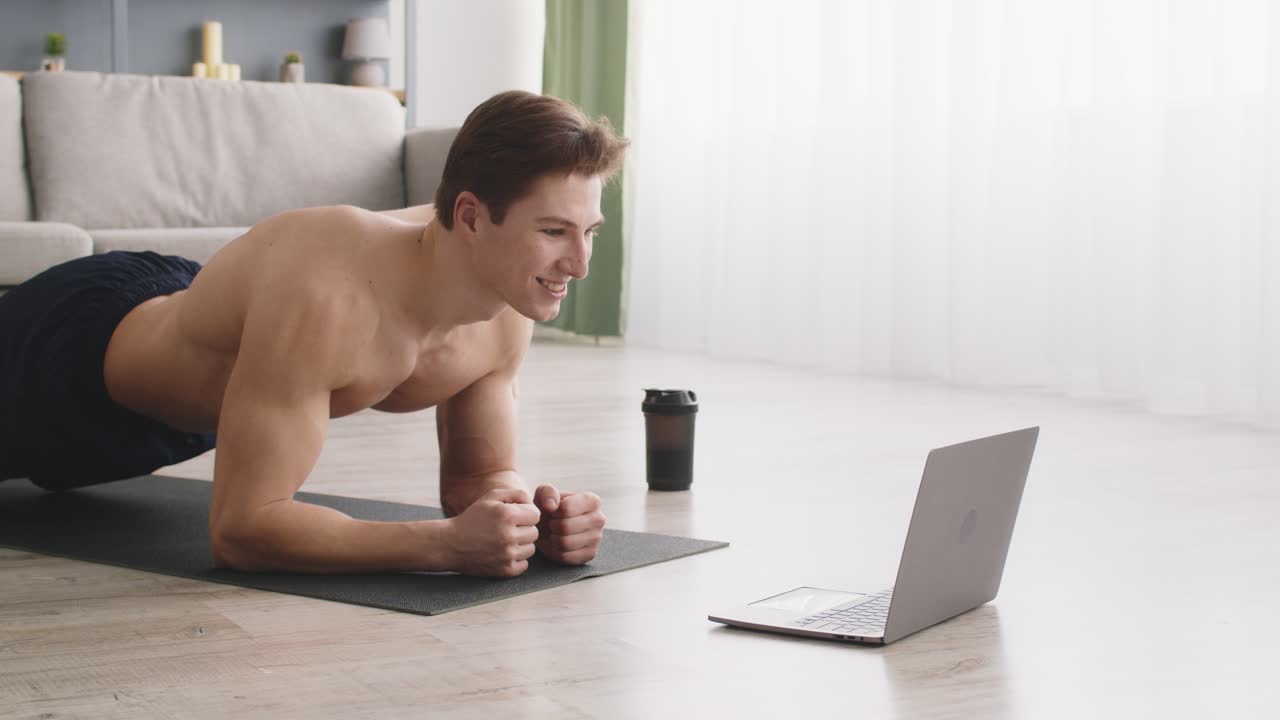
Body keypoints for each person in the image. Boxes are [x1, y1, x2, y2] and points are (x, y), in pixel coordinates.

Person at [0, 90, 629, 578]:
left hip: (190, 383)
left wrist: (527, 519)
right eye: (553, 233)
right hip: (72, 355)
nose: (579, 265)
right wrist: (443, 547)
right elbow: (242, 530)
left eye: (589, 232)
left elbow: (477, 481)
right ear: (470, 216)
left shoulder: (506, 307)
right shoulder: (329, 292)